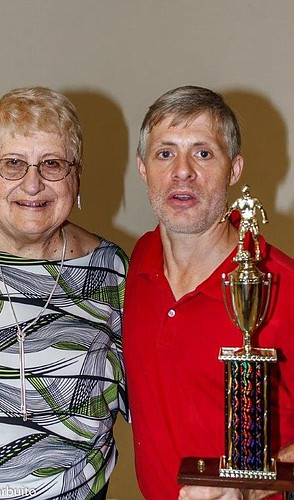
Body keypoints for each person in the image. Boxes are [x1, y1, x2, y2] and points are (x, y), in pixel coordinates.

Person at [0, 86, 128, 499]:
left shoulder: (113, 272)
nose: (32, 184)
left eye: (52, 164)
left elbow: (156, 398)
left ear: (76, 176)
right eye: (13, 163)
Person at [123, 85, 294, 499]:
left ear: (234, 170)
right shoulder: (133, 267)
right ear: (143, 168)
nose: (183, 171)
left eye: (203, 153)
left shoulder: (280, 286)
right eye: (165, 153)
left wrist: (246, 490)